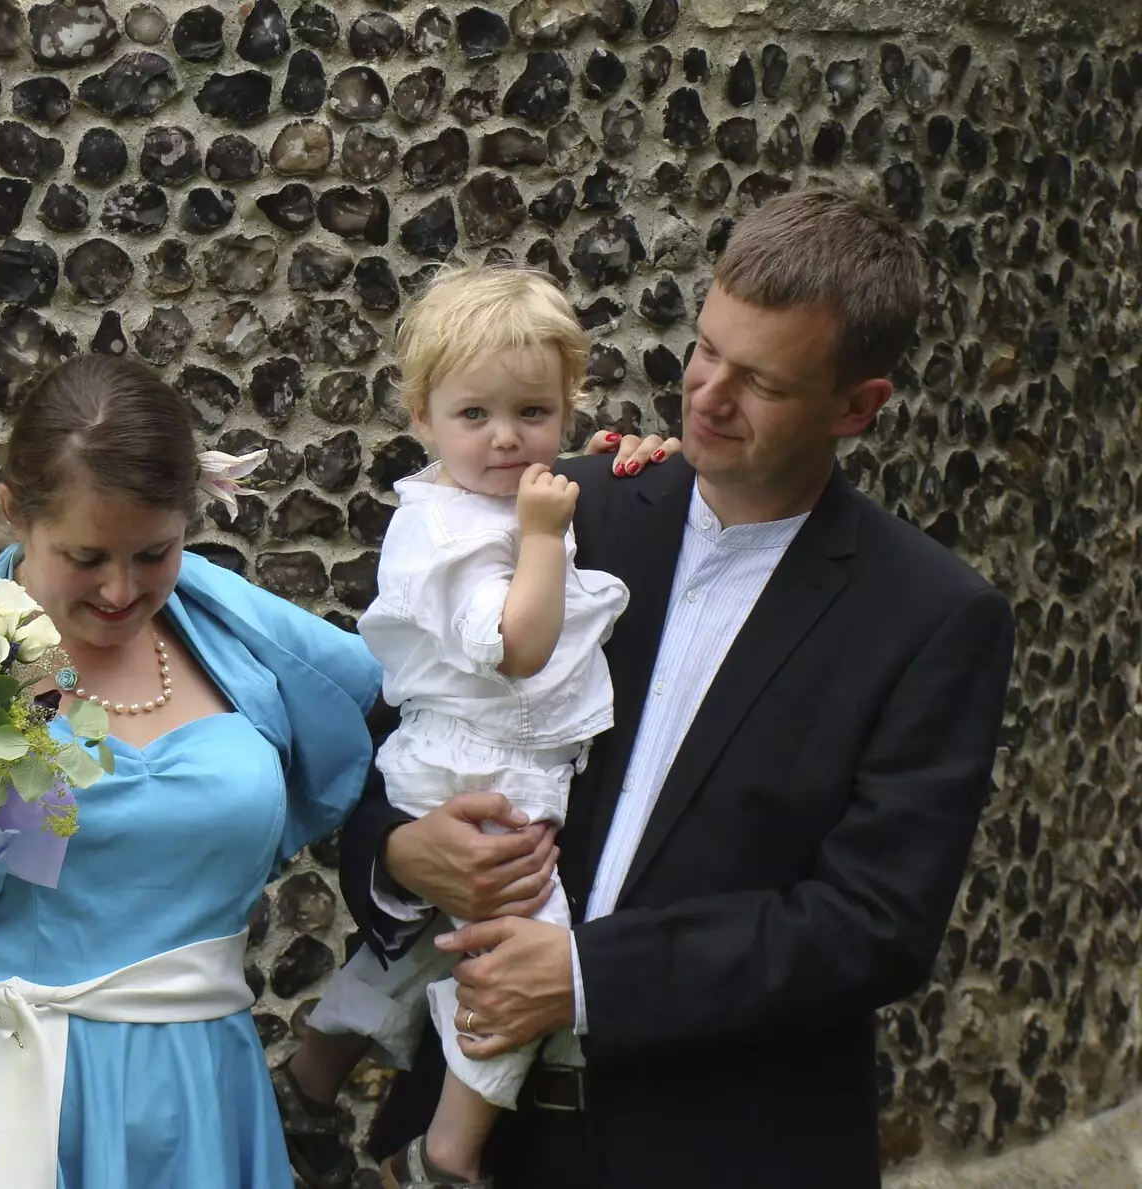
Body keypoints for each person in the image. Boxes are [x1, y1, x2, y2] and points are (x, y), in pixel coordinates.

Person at [339, 188, 1018, 1188]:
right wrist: (400, 851)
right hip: (487, 1152)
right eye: (706, 349)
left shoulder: (931, 616)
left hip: (719, 1149)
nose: (704, 395)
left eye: (761, 383)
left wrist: (582, 979)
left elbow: (871, 925)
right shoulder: (556, 511)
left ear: (856, 407)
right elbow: (390, 732)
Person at [0, 354, 389, 1189]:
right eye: (86, 556)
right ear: (15, 512)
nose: (122, 589)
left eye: (155, 553)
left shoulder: (251, 656)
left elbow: (407, 729)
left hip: (191, 1117)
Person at [274, 268, 629, 1189]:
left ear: (571, 406)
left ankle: (309, 1081)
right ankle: (448, 1153)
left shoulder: (473, 498)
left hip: (465, 754)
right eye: (475, 414)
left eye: (533, 410)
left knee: (429, 942)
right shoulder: (465, 532)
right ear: (422, 416)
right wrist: (547, 536)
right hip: (484, 765)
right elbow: (514, 645)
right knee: (526, 951)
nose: (507, 436)